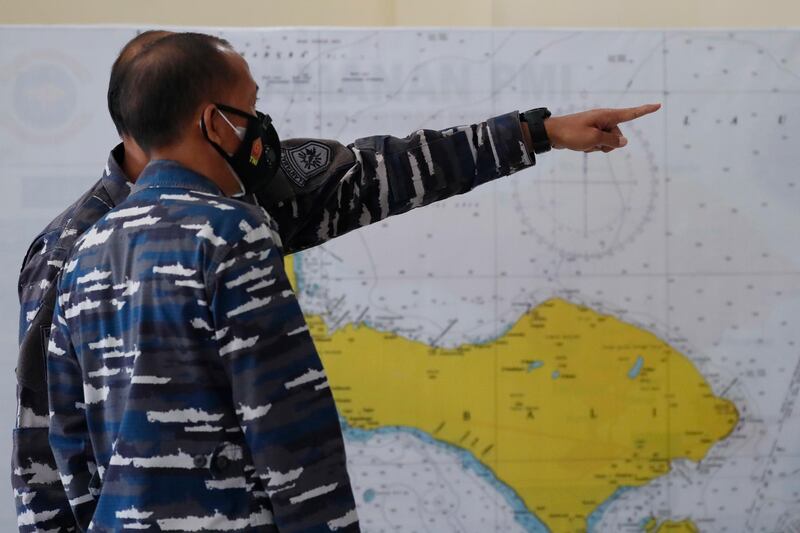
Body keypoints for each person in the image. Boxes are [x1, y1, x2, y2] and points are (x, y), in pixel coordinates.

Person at [16, 27, 660, 531]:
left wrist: (535, 133)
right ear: (194, 118)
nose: (261, 128)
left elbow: (376, 172)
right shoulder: (89, 246)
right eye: (249, 109)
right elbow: (46, 444)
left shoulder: (224, 197)